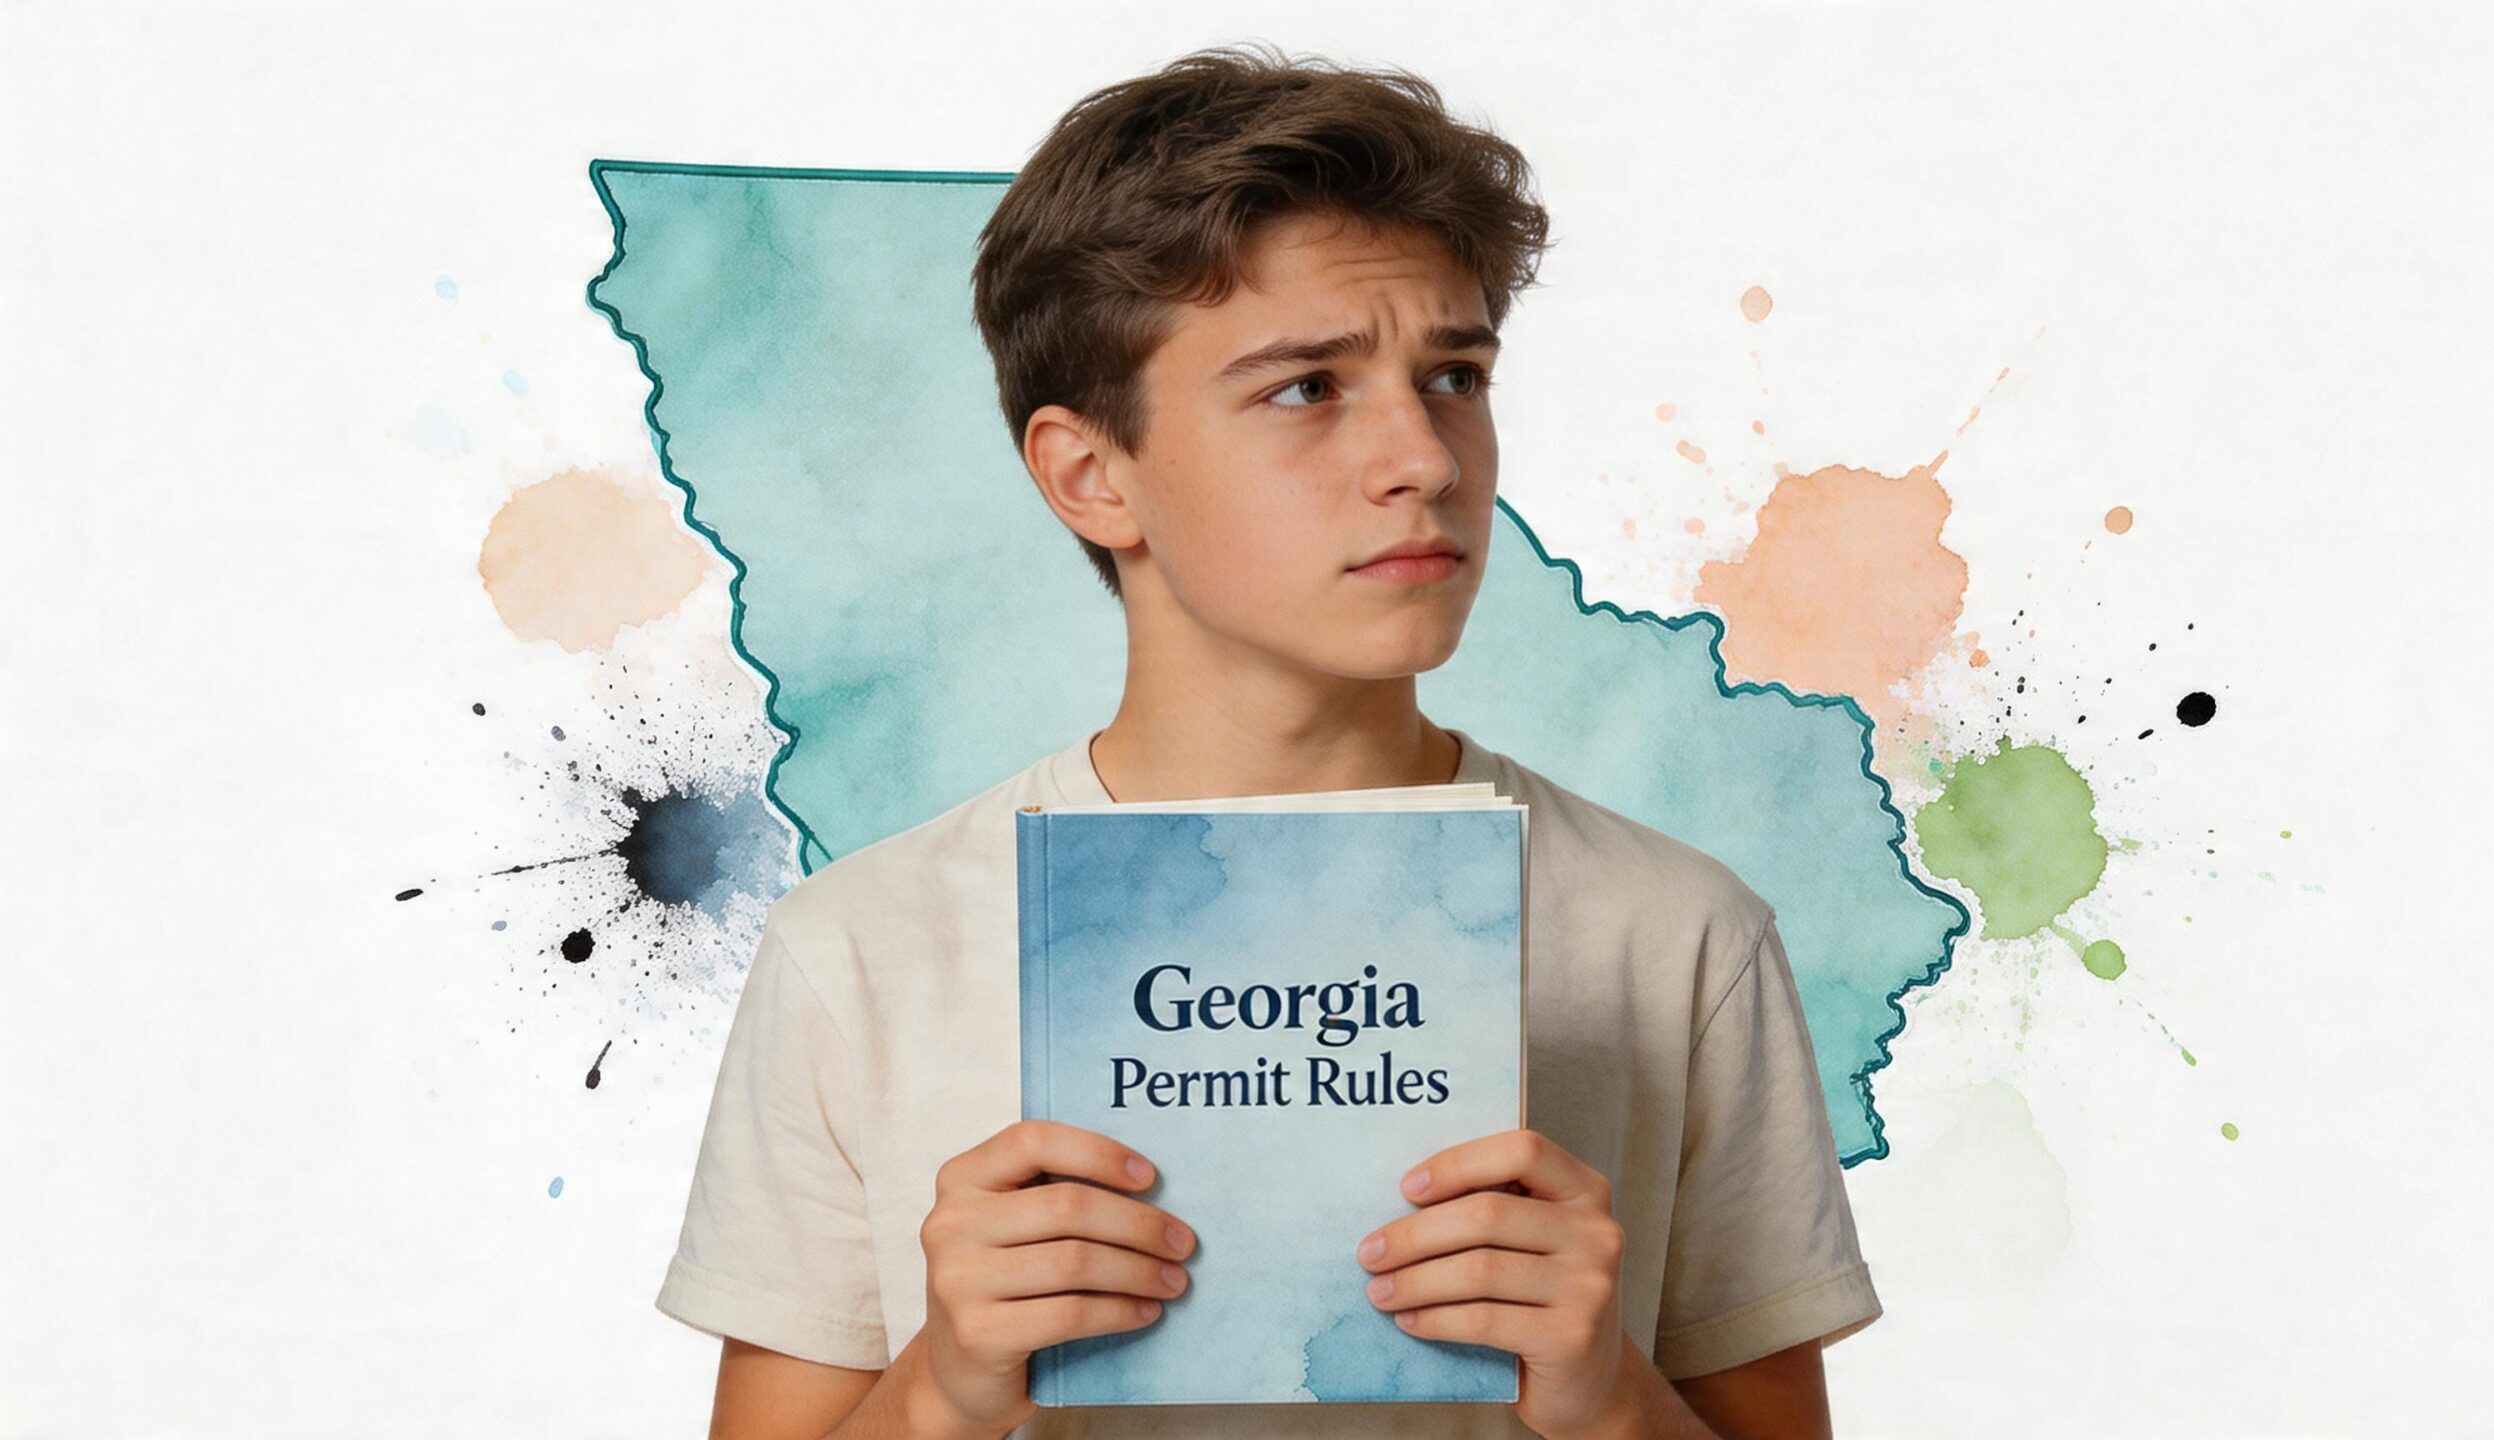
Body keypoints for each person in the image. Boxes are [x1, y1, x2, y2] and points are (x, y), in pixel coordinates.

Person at [655, 41, 1882, 1440]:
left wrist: (1611, 1400)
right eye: (1308, 388)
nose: (1425, 459)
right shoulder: (863, 954)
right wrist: (941, 1384)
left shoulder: (1676, 937)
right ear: (1090, 473)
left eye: (1456, 376)